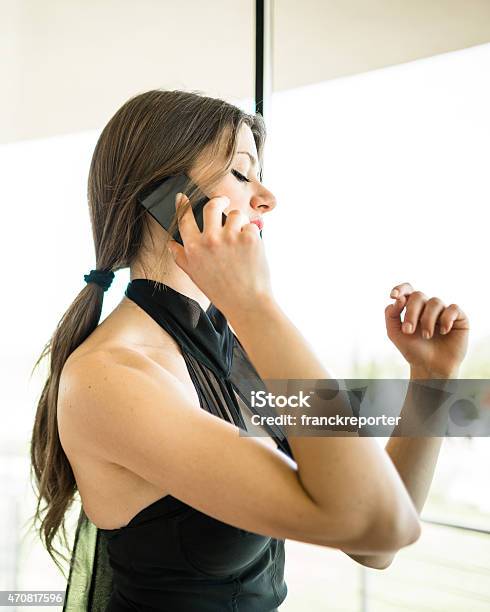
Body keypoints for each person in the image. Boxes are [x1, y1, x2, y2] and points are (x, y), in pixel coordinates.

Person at [30, 89, 469, 611]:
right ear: (166, 194)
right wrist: (252, 301)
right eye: (242, 174)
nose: (267, 198)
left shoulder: (234, 352)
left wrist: (431, 378)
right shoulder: (112, 377)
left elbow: (376, 543)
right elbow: (378, 521)